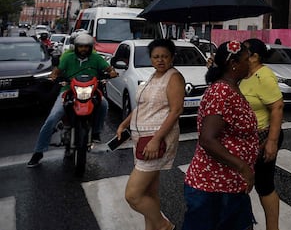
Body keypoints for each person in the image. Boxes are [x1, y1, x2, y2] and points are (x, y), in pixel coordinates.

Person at [181, 41, 259, 230]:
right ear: (233, 64)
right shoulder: (222, 92)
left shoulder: (231, 87)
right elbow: (208, 139)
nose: (251, 63)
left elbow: (232, 130)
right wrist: (243, 167)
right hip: (213, 188)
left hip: (229, 185)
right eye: (246, 59)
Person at [117, 38, 184, 230]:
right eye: (156, 57)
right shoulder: (153, 76)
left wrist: (156, 140)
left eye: (164, 56)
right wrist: (124, 123)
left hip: (155, 142)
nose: (160, 60)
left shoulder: (174, 77)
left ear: (172, 57)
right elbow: (143, 107)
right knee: (149, 193)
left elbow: (176, 110)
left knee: (133, 195)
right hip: (141, 139)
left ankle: (164, 226)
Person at [27, 32, 117, 168]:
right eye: (80, 47)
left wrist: (112, 73)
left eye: (86, 47)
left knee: (104, 104)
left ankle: (97, 132)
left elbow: (109, 69)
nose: (83, 49)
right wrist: (53, 77)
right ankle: (39, 151)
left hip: (91, 90)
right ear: (76, 47)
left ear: (90, 47)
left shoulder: (96, 58)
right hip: (68, 90)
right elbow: (57, 71)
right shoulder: (67, 58)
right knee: (52, 118)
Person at [240, 38, 285, 230]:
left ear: (255, 57)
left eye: (244, 51)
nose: (240, 54)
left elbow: (277, 107)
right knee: (242, 183)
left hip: (262, 136)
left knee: (264, 185)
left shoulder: (264, 75)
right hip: (244, 139)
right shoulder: (244, 73)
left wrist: (271, 142)